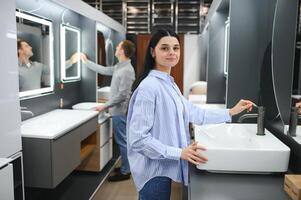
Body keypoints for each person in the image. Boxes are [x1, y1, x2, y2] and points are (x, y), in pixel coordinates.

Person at [126, 29, 254, 200]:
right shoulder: (149, 88)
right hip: (153, 173)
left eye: (176, 48)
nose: (172, 52)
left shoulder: (170, 85)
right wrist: (179, 152)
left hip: (161, 168)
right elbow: (138, 139)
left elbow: (196, 113)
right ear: (152, 52)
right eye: (164, 48)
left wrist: (231, 112)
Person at [81, 40, 136, 182]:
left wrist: (104, 106)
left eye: (118, 46)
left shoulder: (127, 70)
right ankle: (126, 166)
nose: (116, 48)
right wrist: (86, 62)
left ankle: (125, 172)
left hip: (120, 112)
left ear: (122, 51)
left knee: (122, 141)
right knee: (122, 140)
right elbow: (104, 70)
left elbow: (123, 95)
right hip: (116, 111)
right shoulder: (119, 66)